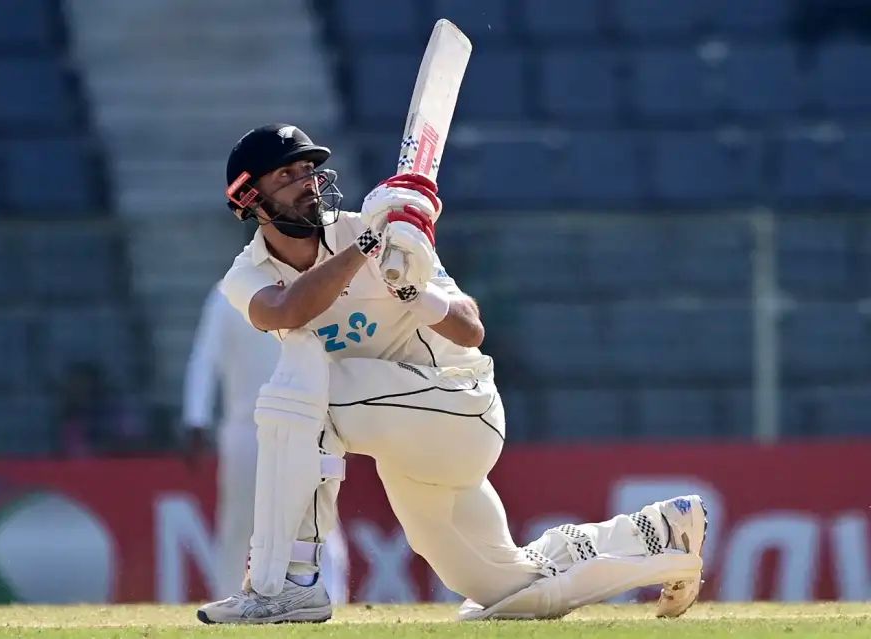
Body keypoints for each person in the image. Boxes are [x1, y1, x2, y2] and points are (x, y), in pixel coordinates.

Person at [196, 124, 708, 624]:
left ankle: (290, 583)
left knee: (304, 393)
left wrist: (416, 292)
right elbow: (287, 311)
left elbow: (470, 329)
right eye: (287, 175)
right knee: (509, 589)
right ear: (250, 199)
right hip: (402, 440)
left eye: (309, 169)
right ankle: (661, 533)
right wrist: (366, 247)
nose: (307, 182)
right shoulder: (253, 272)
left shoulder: (383, 235)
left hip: (458, 407)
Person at [183, 282, 349, 601]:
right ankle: (235, 599)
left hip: (278, 428)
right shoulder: (235, 292)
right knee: (303, 519)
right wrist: (195, 418)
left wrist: (196, 419)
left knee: (304, 519)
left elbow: (204, 359)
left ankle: (327, 599)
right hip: (272, 427)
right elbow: (206, 358)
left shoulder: (232, 292)